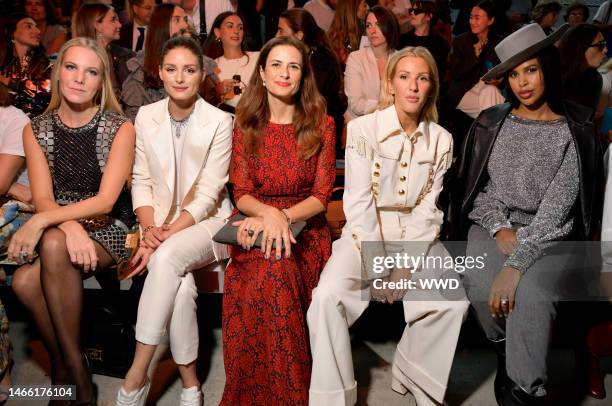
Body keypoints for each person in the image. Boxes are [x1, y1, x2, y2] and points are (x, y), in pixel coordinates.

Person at [307, 45, 468, 406]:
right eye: (404, 77)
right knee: (326, 297)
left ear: (431, 87)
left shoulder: (442, 139)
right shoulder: (363, 130)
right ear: (391, 84)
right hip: (366, 233)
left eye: (422, 78)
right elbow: (360, 203)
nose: (413, 86)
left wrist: (406, 267)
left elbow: (429, 209)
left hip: (418, 234)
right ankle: (334, 396)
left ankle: (413, 372)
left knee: (453, 303)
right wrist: (379, 265)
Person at [458, 23, 601, 406]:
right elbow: (479, 194)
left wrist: (516, 264)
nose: (522, 82)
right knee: (480, 279)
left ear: (547, 69)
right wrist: (500, 229)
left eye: (531, 70)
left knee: (532, 293)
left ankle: (524, 391)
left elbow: (558, 211)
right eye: (515, 73)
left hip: (548, 234)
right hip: (493, 226)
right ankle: (506, 351)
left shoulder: (575, 130)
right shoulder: (491, 123)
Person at [7, 37, 135, 405]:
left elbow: (106, 201)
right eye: (72, 67)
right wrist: (69, 226)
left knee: (47, 243)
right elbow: (43, 197)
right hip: (64, 224)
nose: (80, 78)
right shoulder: (37, 129)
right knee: (24, 284)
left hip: (112, 225)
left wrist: (46, 223)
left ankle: (73, 375)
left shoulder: (118, 127)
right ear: (58, 72)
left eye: (91, 71)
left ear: (102, 81)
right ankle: (71, 362)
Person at [116, 35, 233, 406]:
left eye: (189, 69)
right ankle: (191, 385)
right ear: (160, 73)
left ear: (202, 75)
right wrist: (150, 229)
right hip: (160, 225)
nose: (180, 77)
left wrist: (163, 237)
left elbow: (208, 195)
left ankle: (136, 375)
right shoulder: (146, 116)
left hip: (209, 224)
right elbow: (141, 181)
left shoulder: (220, 121)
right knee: (180, 288)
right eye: (171, 69)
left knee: (167, 259)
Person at [221, 36, 335, 405]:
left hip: (305, 228)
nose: (284, 73)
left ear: (303, 77)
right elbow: (241, 192)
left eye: (294, 66)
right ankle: (248, 393)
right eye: (276, 65)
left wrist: (282, 217)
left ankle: (289, 395)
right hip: (256, 220)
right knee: (253, 274)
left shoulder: (322, 123)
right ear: (263, 74)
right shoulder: (245, 124)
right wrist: (268, 215)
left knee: (278, 269)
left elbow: (321, 197)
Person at [277, 8, 345, 155]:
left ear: (299, 35)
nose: (277, 36)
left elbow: (309, 103)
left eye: (281, 31)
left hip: (317, 132)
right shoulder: (284, 58)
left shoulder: (322, 61)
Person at [120, 3, 190, 121]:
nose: (185, 25)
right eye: (177, 20)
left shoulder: (195, 61)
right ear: (161, 26)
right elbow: (134, 120)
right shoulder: (140, 68)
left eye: (186, 19)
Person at [447, 0, 504, 119]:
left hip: (487, 89)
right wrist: (474, 57)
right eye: (471, 17)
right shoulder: (460, 41)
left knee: (490, 91)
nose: (472, 22)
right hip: (463, 92)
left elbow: (503, 71)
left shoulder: (498, 43)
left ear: (490, 20)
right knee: (492, 97)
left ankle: (489, 133)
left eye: (477, 18)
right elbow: (456, 74)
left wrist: (499, 82)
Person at [345, 5, 400, 122]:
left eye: (378, 25)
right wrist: (391, 107)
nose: (372, 31)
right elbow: (356, 104)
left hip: (392, 124)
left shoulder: (400, 59)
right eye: (369, 25)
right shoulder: (356, 58)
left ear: (389, 27)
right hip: (359, 123)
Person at [74, 2, 135, 96]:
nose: (120, 25)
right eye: (113, 20)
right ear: (97, 25)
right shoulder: (77, 59)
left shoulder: (126, 56)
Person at [204, 11, 258, 112]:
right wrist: (217, 93)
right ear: (217, 32)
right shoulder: (212, 66)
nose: (236, 31)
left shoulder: (257, 58)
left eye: (240, 27)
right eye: (230, 26)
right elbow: (207, 106)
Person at [0, 13, 52, 118]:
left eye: (36, 27)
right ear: (13, 33)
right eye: (29, 26)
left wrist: (9, 82)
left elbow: (43, 96)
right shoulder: (5, 66)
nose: (38, 31)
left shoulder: (46, 66)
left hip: (38, 127)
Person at [558, 24, 608, 115]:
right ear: (580, 47)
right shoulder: (553, 75)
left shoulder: (595, 78)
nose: (605, 50)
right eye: (600, 45)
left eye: (605, 44)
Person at [399, 1, 450, 85]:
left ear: (429, 16)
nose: (412, 13)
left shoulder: (440, 44)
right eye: (411, 10)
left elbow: (439, 74)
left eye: (417, 11)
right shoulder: (402, 40)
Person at [327, 0, 368, 66]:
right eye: (364, 5)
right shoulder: (337, 40)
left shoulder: (363, 32)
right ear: (353, 8)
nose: (367, 8)